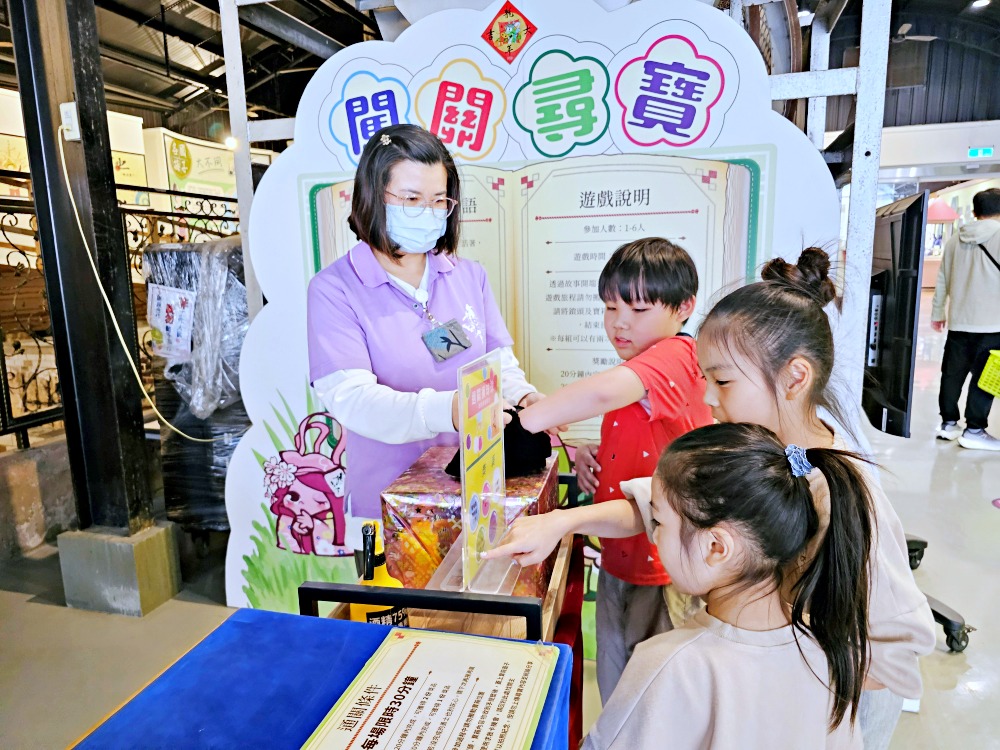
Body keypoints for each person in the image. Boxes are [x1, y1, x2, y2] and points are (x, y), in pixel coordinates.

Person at [488, 249, 936, 750]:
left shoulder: (843, 491)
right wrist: (562, 522)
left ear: (794, 378)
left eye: (721, 380)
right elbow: (651, 504)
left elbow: (900, 650)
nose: (705, 397)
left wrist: (778, 666)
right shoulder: (750, 444)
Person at [307, 124, 543, 553]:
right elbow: (353, 401)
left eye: (439, 200)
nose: (428, 211)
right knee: (395, 616)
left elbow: (498, 364)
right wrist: (449, 409)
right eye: (411, 199)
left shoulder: (467, 275)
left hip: (474, 489)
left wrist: (526, 397)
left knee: (473, 615)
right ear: (373, 196)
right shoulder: (335, 289)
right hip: (386, 504)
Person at [584, 422, 873, 749]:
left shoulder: (669, 663)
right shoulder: (827, 650)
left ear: (716, 548)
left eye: (659, 522)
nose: (655, 536)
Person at [515, 237, 712, 701]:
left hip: (665, 567)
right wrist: (591, 455)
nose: (619, 322)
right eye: (609, 307)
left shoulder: (680, 355)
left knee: (654, 698)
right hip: (622, 557)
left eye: (639, 310)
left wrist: (521, 423)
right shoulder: (644, 365)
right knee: (618, 687)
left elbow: (604, 393)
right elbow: (641, 438)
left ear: (684, 307)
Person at [931, 187, 1000, 451]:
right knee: (985, 377)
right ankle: (974, 430)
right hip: (994, 324)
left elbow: (942, 281)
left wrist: (938, 313)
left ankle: (948, 424)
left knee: (952, 374)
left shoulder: (954, 240)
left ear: (974, 212)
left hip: (959, 321)